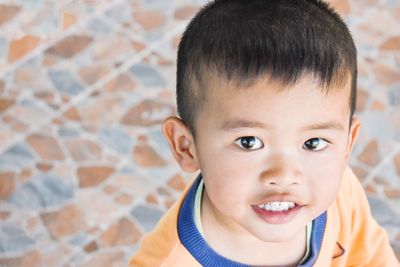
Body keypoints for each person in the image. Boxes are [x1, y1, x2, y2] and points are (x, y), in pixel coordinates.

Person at [130, 0, 399, 266]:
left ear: (346, 146)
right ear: (186, 147)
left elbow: (371, 256)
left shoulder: (341, 191)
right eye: (249, 142)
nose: (284, 176)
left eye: (313, 143)